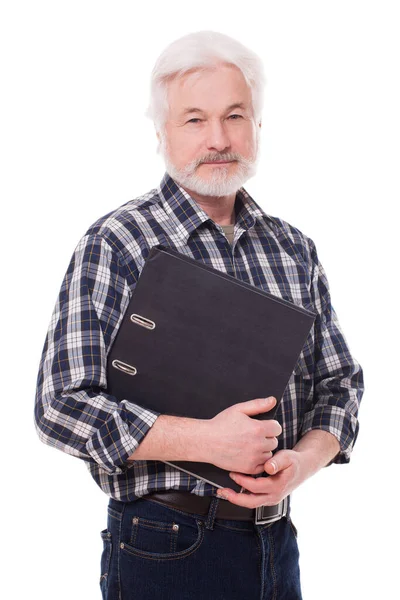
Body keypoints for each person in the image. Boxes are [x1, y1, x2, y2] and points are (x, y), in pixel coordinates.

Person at [34, 30, 364, 600]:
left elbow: (341, 385)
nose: (218, 138)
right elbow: (60, 406)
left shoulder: (294, 249)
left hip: (276, 542)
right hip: (164, 544)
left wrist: (303, 462)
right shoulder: (118, 242)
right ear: (162, 132)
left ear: (258, 125)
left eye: (235, 115)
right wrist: (207, 443)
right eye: (194, 119)